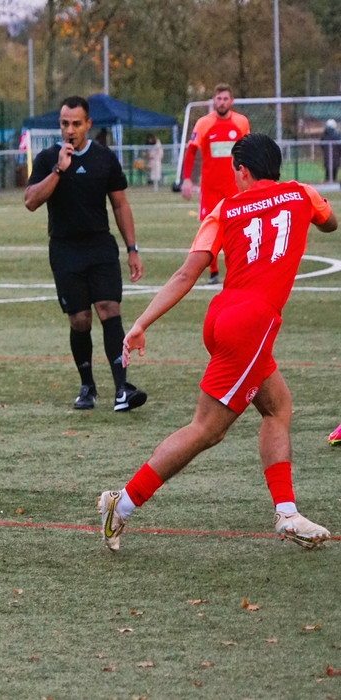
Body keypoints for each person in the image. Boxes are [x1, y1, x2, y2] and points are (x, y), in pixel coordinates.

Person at [100, 133, 337, 551]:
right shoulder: (302, 193)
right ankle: (121, 505)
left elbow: (186, 275)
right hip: (252, 325)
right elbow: (330, 222)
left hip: (221, 318)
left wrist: (141, 323)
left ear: (242, 171)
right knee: (206, 430)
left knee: (277, 407)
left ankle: (286, 512)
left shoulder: (225, 208)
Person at [24, 95, 147, 413]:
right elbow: (31, 201)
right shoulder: (48, 158)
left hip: (100, 247)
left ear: (88, 125)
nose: (70, 130)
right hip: (65, 250)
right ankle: (87, 386)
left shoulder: (104, 158)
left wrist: (132, 249)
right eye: (65, 123)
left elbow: (120, 204)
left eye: (76, 124)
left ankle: (122, 389)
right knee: (80, 320)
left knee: (110, 309)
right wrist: (58, 171)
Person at [180, 83, 250, 285]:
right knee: (209, 229)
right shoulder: (203, 123)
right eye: (219, 99)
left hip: (235, 186)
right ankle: (213, 272)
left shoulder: (241, 122)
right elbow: (191, 151)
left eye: (225, 99)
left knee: (237, 230)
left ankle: (237, 269)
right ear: (213, 101)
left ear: (231, 101)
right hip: (210, 188)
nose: (222, 102)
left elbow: (247, 151)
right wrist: (186, 179)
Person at [320, 118, 341, 184]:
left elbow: (322, 145)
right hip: (335, 157)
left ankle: (328, 182)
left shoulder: (324, 135)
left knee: (328, 173)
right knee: (333, 173)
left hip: (327, 157)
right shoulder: (336, 135)